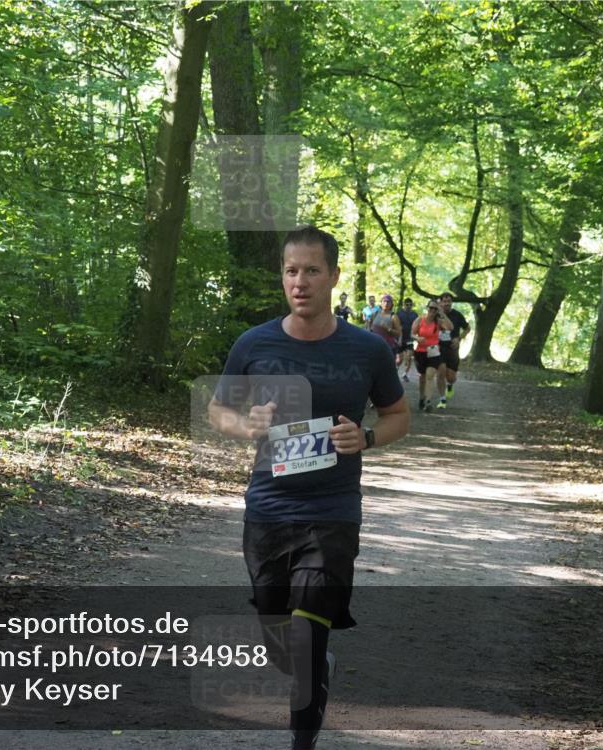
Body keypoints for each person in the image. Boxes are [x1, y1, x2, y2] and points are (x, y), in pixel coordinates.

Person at [208, 224, 410, 750]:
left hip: (333, 508)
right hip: (269, 506)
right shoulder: (254, 343)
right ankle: (314, 662)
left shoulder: (366, 350)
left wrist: (365, 436)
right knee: (279, 632)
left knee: (308, 628)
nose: (300, 282)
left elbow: (397, 415)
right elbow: (218, 408)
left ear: (334, 277)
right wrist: (245, 426)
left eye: (312, 271)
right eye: (291, 271)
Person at [411, 299, 452, 412]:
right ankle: (422, 397)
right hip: (420, 352)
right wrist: (417, 338)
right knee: (423, 377)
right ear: (427, 308)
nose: (432, 310)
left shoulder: (438, 321)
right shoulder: (420, 319)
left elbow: (450, 328)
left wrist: (442, 312)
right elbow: (412, 334)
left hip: (433, 352)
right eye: (431, 308)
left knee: (430, 375)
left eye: (435, 309)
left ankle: (428, 402)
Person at [436, 292, 471, 408]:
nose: (447, 304)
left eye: (449, 301)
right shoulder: (436, 315)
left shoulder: (457, 315)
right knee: (441, 372)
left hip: (452, 348)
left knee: (450, 377)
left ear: (452, 303)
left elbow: (468, 328)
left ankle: (450, 385)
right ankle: (442, 399)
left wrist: (459, 339)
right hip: (440, 347)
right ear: (440, 302)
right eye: (444, 301)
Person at [370, 294, 401, 359]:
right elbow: (370, 329)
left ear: (391, 304)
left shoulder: (393, 317)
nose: (386, 303)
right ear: (381, 303)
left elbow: (398, 333)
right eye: (384, 301)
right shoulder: (374, 314)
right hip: (375, 346)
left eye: (388, 302)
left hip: (388, 347)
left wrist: (388, 328)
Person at [396, 297, 418, 382]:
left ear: (412, 305)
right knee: (399, 360)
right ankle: (396, 370)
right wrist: (399, 338)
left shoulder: (415, 315)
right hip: (400, 338)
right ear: (404, 305)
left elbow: (417, 326)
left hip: (410, 339)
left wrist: (416, 337)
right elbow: (397, 326)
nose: (408, 306)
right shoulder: (399, 313)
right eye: (407, 304)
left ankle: (405, 374)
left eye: (410, 305)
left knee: (409, 357)